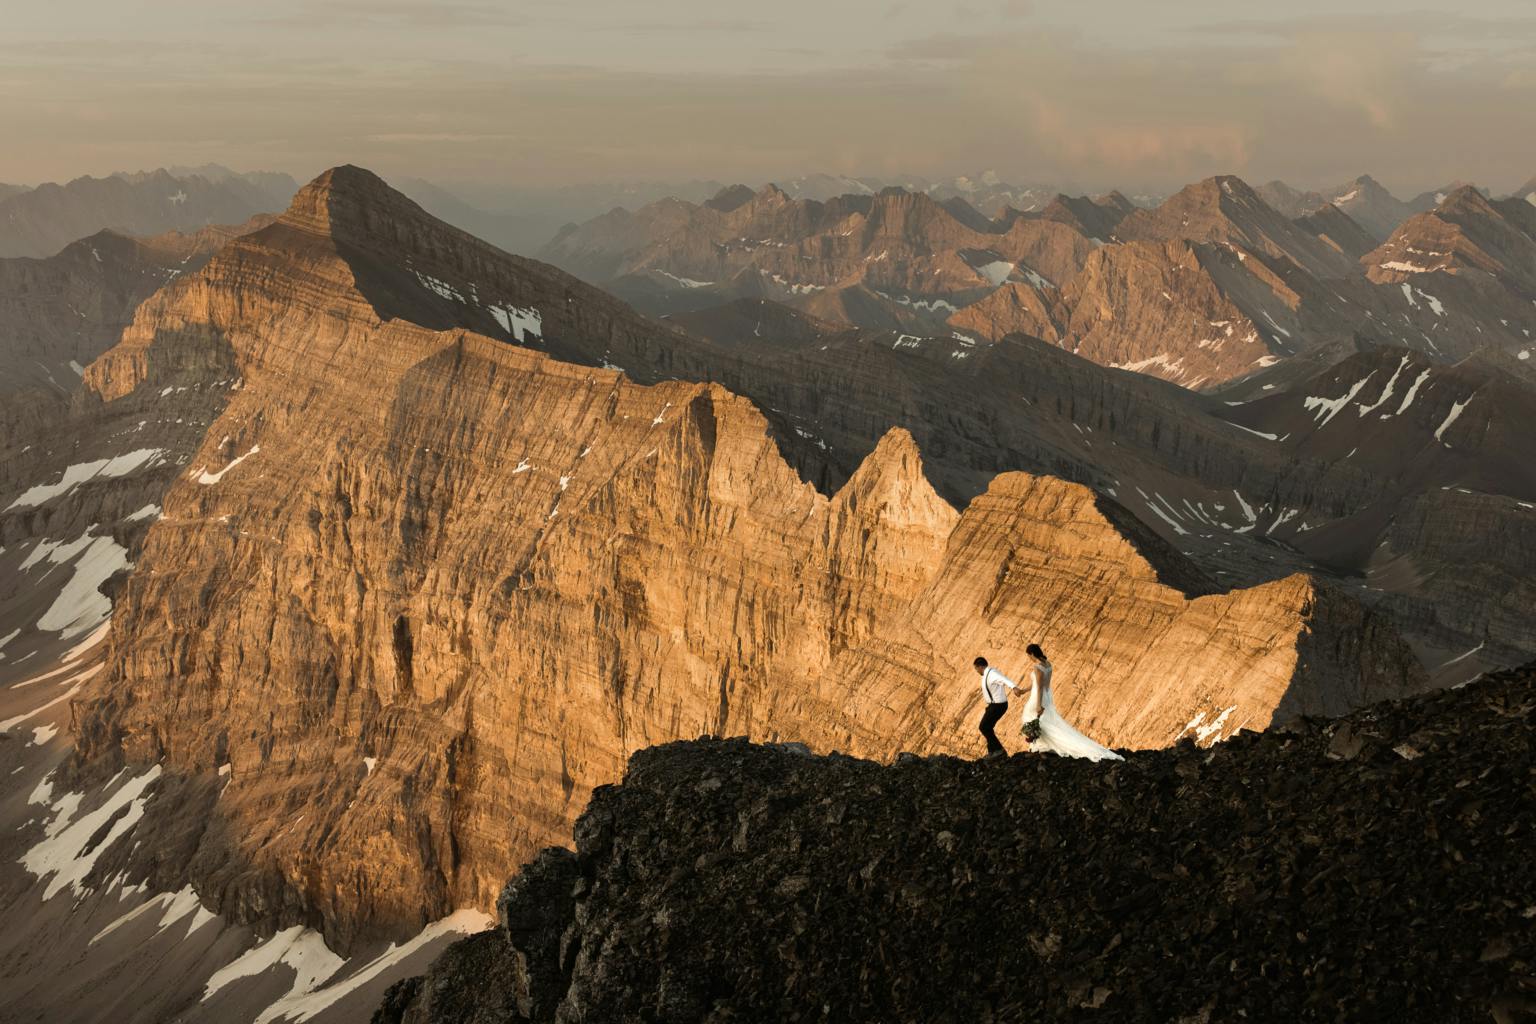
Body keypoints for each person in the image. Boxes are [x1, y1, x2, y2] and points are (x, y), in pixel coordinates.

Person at [1018, 643, 1124, 762]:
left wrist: (1038, 704)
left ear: (1032, 654)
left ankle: (1041, 746)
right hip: (1047, 696)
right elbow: (1038, 683)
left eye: (1029, 656)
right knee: (1044, 721)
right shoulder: (1048, 665)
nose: (1029, 659)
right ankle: (1038, 746)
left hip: (1039, 696)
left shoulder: (1037, 667)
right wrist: (1023, 691)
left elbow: (1039, 687)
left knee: (1030, 716)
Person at [973, 656, 1017, 759]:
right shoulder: (986, 674)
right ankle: (993, 752)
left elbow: (1004, 679)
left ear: (980, 666)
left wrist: (1014, 687)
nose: (976, 671)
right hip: (993, 705)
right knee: (987, 727)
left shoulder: (992, 673)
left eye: (976, 668)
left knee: (983, 727)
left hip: (998, 705)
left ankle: (999, 750)